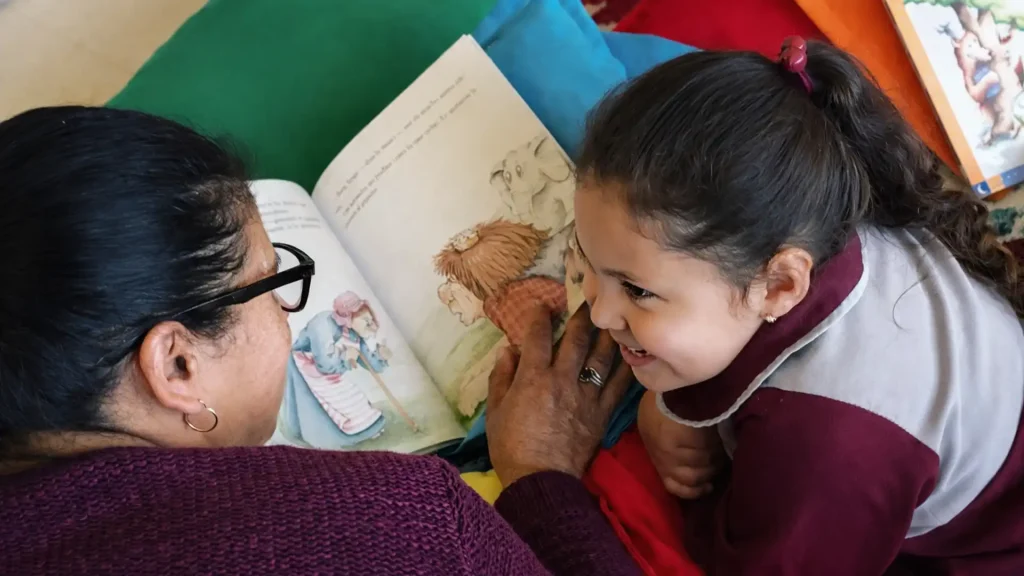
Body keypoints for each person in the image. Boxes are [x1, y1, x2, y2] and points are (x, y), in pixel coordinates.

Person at [0, 106, 641, 575]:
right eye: (271, 285)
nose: (287, 312)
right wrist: (542, 476)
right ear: (177, 364)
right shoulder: (402, 526)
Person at [558, 37, 1024, 574]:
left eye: (637, 291)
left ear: (779, 286)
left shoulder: (825, 449)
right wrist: (680, 405)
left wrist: (691, 450)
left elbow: (767, 560)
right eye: (586, 259)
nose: (597, 312)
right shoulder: (818, 198)